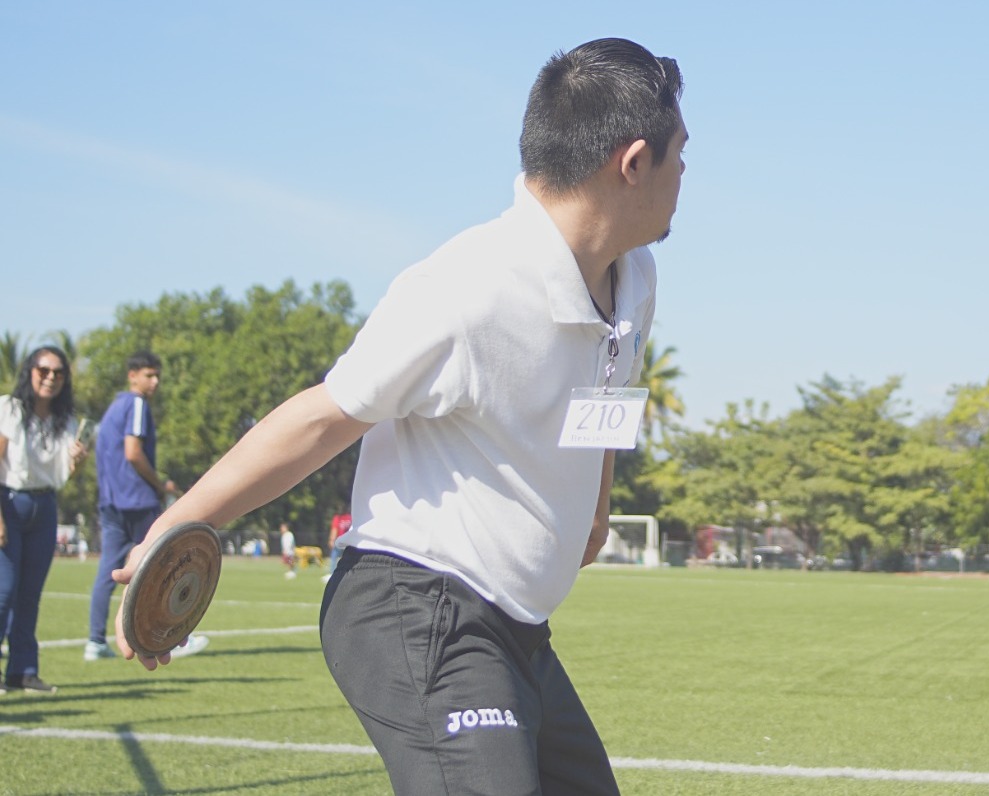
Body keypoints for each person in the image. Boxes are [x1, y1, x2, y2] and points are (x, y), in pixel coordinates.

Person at [114, 37, 685, 794]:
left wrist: (595, 505)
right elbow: (321, 419)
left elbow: (604, 387)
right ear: (633, 162)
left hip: (517, 629)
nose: (686, 175)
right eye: (681, 154)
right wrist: (175, 528)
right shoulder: (468, 288)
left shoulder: (634, 278)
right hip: (413, 605)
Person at [85, 351, 208, 661]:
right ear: (133, 376)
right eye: (149, 375)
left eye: (157, 376)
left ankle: (95, 642)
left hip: (111, 502)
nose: (155, 382)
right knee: (165, 565)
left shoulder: (112, 409)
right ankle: (171, 638)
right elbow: (132, 452)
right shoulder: (136, 404)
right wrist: (159, 485)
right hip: (137, 500)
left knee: (109, 571)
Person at [0, 346, 89, 694]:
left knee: (30, 594)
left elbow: (64, 474)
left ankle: (22, 671)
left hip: (45, 505)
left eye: (58, 372)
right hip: (9, 502)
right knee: (4, 590)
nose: (51, 377)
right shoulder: (9, 408)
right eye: (43, 370)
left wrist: (78, 461)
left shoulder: (65, 419)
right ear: (30, 372)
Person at [324, 509, 351, 581]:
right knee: (347, 559)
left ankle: (332, 573)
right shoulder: (350, 518)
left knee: (334, 558)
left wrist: (331, 540)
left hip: (339, 541)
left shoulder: (337, 518)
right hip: (348, 542)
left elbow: (334, 529)